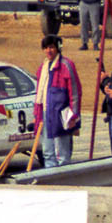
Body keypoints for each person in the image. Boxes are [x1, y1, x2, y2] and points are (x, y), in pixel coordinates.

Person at [34, 35, 82, 166]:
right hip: (45, 113)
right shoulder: (42, 68)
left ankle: (64, 182)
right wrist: (37, 115)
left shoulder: (66, 65)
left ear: (58, 48)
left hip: (62, 115)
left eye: (51, 47)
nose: (49, 51)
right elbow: (39, 93)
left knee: (63, 153)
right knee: (48, 152)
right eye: (46, 48)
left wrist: (74, 116)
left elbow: (75, 93)